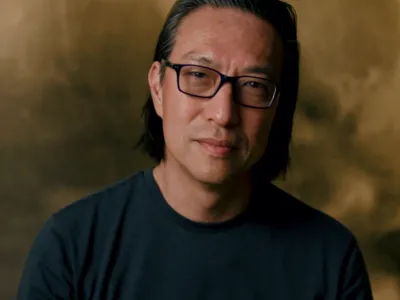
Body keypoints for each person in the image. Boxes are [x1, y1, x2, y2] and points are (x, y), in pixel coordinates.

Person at [17, 0, 374, 299]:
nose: (223, 114)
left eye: (253, 85)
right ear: (158, 87)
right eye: (199, 75)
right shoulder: (71, 248)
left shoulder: (331, 260)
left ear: (277, 109)